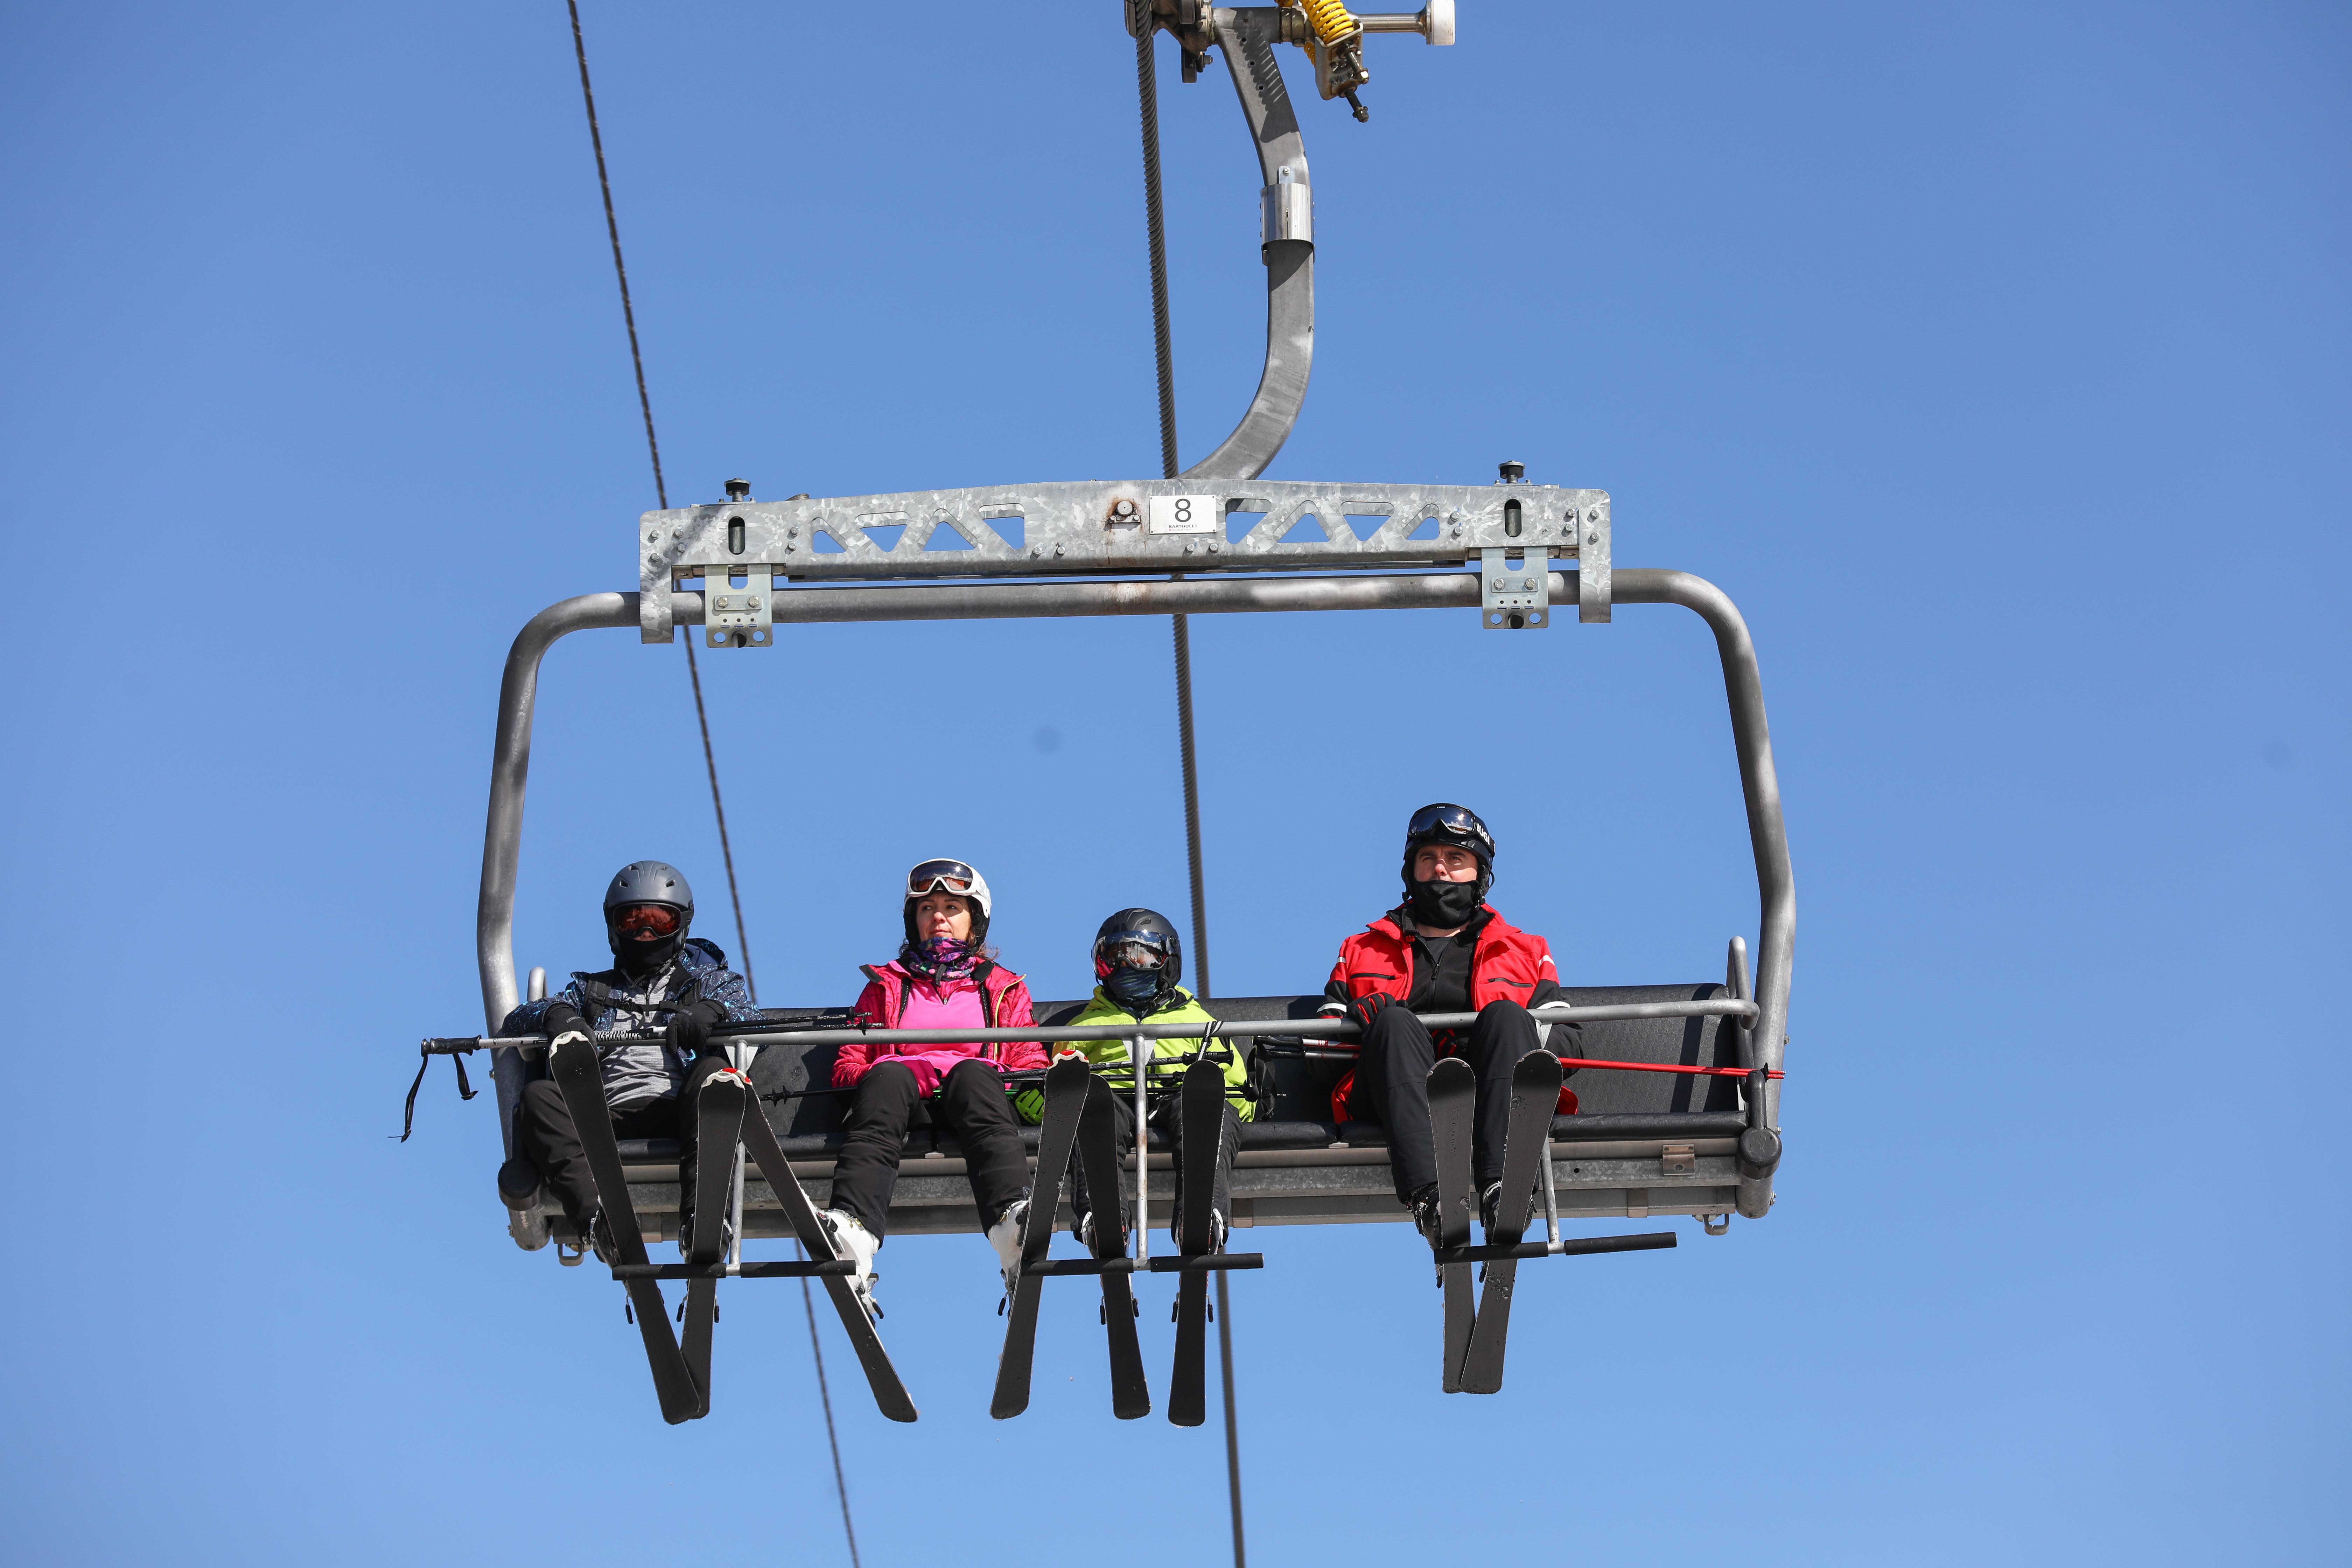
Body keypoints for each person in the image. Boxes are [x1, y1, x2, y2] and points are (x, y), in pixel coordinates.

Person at [1320, 804, 1580, 1245]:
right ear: (1411, 870)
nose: (1440, 869)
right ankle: (1432, 1198)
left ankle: (1504, 1188)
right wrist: (1358, 1022)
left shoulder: (1524, 950)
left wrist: (1512, 1028)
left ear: (1480, 874)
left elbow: (1568, 1045)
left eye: (1455, 858)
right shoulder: (1361, 949)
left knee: (1506, 1015)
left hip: (1490, 1095)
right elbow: (1319, 1056)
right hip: (1394, 1095)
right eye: (1429, 858)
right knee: (1395, 1021)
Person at [499, 861, 760, 1261]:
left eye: (660, 920)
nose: (646, 932)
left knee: (715, 1076)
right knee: (537, 1098)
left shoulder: (705, 983)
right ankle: (602, 1223)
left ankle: (704, 1219)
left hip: (681, 1109)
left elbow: (751, 1015)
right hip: (604, 1115)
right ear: (614, 928)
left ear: (681, 926)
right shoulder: (593, 990)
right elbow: (518, 1019)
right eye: (633, 921)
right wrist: (559, 1015)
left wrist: (711, 1011)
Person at [819, 858, 1044, 1310]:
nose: (938, 917)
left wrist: (1028, 1083)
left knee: (973, 1074)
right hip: (905, 1105)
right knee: (889, 1076)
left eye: (951, 908)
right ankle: (854, 1232)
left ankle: (1011, 1223)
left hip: (977, 1100)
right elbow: (848, 1063)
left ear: (974, 921)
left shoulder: (1002, 987)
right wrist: (886, 1068)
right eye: (927, 909)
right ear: (914, 920)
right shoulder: (887, 985)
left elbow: (1028, 1058)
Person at [1018, 909, 1252, 1254]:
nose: (1125, 965)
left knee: (1204, 1108)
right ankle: (1103, 1216)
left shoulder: (1197, 1021)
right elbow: (1058, 1089)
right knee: (1091, 1109)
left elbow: (1235, 1089)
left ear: (1167, 961)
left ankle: (1201, 1214)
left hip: (1178, 1097)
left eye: (1140, 955)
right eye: (1113, 957)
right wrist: (1047, 1104)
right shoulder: (1083, 1027)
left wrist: (1224, 1102)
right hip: (1112, 1100)